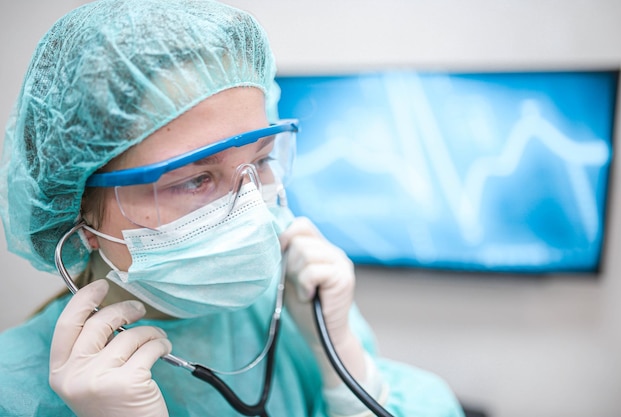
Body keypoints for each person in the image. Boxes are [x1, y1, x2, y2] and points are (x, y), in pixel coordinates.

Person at [0, 1, 465, 416]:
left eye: (261, 160)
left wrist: (347, 366)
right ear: (78, 211)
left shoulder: (293, 312)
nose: (250, 209)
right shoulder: (15, 390)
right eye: (195, 179)